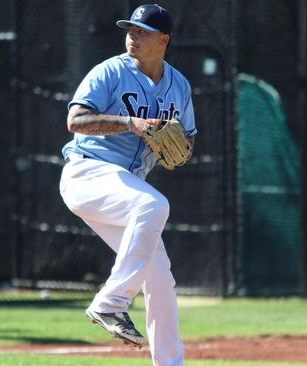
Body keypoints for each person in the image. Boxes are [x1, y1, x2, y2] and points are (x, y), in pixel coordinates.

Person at [59, 4, 196, 365]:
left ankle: (169, 362)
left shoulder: (179, 85)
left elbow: (187, 141)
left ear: (164, 39)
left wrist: (178, 151)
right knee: (154, 205)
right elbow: (76, 119)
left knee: (160, 279)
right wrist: (132, 123)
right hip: (87, 173)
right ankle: (110, 303)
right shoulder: (110, 71)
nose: (132, 37)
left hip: (125, 188)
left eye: (142, 32)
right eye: (130, 30)